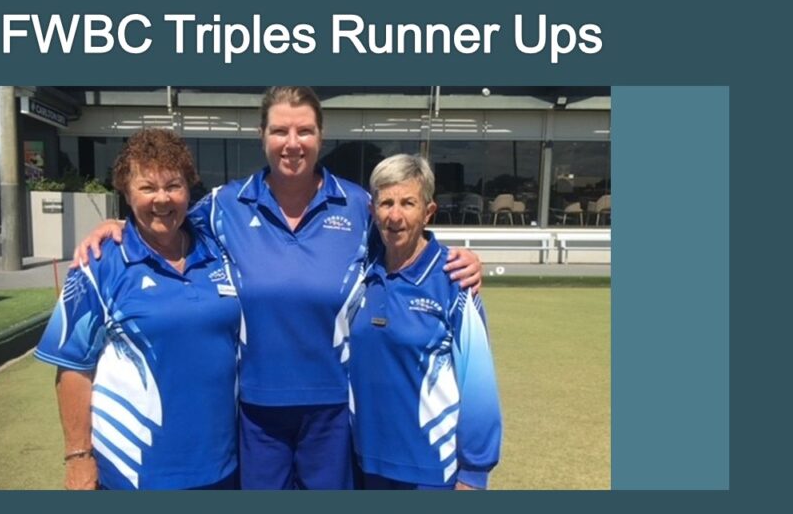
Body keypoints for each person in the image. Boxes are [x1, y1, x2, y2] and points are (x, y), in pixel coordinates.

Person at [75, 87, 483, 490]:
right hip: (255, 412)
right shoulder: (224, 205)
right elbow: (164, 220)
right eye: (279, 131)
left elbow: (405, 241)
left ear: (320, 137)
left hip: (334, 410)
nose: (292, 143)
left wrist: (458, 257)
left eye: (304, 131)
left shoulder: (358, 205)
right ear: (262, 136)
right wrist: (119, 228)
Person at [35, 130, 241, 490]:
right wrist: (78, 456)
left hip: (223, 465)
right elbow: (72, 369)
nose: (162, 199)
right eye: (147, 188)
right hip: (134, 471)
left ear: (189, 190)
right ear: (127, 194)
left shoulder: (216, 247)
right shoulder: (98, 264)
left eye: (173, 186)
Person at [350, 154, 501, 490]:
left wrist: (474, 473)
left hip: (431, 471)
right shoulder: (362, 275)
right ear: (373, 211)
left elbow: (478, 384)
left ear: (428, 212)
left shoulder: (454, 281)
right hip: (364, 464)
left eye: (408, 203)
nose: (395, 215)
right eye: (386, 203)